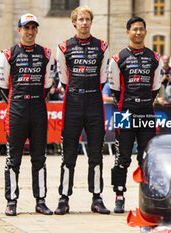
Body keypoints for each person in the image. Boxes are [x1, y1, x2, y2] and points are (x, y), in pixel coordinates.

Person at [55, 6, 110, 215]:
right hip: (73, 102)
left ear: (91, 22)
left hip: (95, 102)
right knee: (68, 154)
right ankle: (63, 198)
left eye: (87, 19)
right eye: (80, 19)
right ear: (74, 23)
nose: (84, 23)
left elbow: (103, 77)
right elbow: (63, 79)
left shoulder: (102, 46)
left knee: (96, 153)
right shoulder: (64, 46)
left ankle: (97, 197)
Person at [0, 13, 54, 216]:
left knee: (39, 158)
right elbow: (2, 87)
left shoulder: (46, 54)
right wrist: (19, 102)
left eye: (33, 28)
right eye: (26, 28)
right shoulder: (8, 54)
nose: (29, 32)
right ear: (19, 30)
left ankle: (40, 200)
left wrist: (35, 100)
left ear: (37, 30)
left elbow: (48, 85)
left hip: (38, 110)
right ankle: (11, 200)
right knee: (13, 159)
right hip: (16, 112)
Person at [109, 16, 162, 213]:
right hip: (124, 112)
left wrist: (143, 102)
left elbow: (155, 88)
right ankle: (119, 195)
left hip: (147, 111)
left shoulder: (155, 58)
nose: (138, 32)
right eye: (134, 29)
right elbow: (114, 89)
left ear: (145, 32)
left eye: (141, 29)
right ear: (128, 32)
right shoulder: (118, 58)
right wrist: (128, 104)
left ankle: (147, 196)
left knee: (146, 156)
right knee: (121, 157)